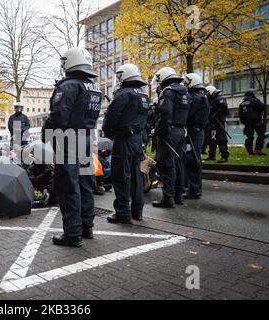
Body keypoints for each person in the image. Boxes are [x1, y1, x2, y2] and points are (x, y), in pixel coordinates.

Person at [42, 47, 101, 247]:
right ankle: (87, 227)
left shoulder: (68, 86)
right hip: (85, 138)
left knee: (68, 186)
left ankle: (72, 234)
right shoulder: (93, 87)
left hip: (68, 140)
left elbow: (58, 115)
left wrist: (46, 134)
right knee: (85, 184)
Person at [102, 64, 149, 224]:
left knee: (121, 176)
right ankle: (138, 211)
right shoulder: (143, 96)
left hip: (124, 139)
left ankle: (122, 212)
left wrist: (111, 134)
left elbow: (110, 119)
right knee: (136, 176)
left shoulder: (123, 94)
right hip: (137, 140)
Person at [151, 67, 190, 208]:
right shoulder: (184, 91)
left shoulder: (168, 92)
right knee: (178, 163)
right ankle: (178, 195)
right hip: (180, 130)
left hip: (169, 131)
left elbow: (165, 113)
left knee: (167, 164)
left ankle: (168, 197)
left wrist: (159, 131)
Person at [182, 73, 210, 200]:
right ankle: (193, 188)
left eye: (187, 83)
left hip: (194, 133)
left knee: (192, 160)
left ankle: (194, 189)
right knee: (193, 159)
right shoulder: (201, 96)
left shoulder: (195, 97)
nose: (185, 85)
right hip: (197, 132)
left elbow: (186, 114)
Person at [205, 86, 229, 163]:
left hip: (219, 123)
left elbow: (223, 108)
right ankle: (212, 156)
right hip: (212, 123)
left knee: (222, 140)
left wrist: (216, 114)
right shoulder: (210, 100)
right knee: (212, 140)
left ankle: (224, 156)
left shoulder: (220, 99)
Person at [239, 90, 266, 156]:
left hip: (247, 123)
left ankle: (250, 152)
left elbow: (240, 115)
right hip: (256, 121)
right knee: (261, 134)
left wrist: (244, 122)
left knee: (249, 137)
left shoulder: (241, 103)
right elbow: (262, 107)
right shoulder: (254, 100)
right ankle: (258, 150)